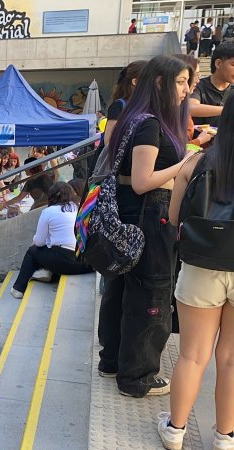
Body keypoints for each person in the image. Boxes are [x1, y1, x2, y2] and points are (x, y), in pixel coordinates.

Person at [98, 55, 195, 398]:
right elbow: (142, 181)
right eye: (181, 82)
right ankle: (138, 376)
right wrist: (186, 162)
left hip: (130, 215)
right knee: (150, 293)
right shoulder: (150, 124)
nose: (187, 89)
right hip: (148, 215)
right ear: (160, 83)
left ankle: (112, 361)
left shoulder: (132, 117)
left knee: (121, 289)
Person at [157, 95, 234, 450]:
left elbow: (175, 220)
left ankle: (175, 431)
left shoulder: (197, 162)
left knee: (192, 354)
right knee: (231, 358)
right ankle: (225, 437)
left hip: (202, 265)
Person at [11, 182, 93, 298]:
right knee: (51, 246)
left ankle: (18, 288)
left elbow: (39, 242)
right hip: (85, 263)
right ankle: (46, 272)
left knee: (33, 251)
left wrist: (35, 241)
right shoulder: (81, 207)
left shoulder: (49, 212)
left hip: (64, 262)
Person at [190, 41, 234, 128]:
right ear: (218, 63)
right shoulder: (198, 86)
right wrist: (227, 110)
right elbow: (191, 107)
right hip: (200, 140)